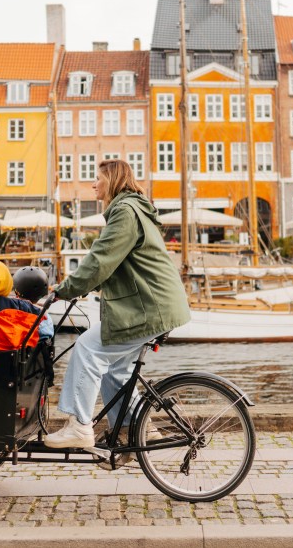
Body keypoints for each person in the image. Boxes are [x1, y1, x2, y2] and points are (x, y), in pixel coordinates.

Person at [44, 159, 190, 450]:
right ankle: (132, 430)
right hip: (153, 305)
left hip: (148, 308)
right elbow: (116, 264)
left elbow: (100, 260)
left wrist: (65, 290)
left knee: (87, 349)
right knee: (115, 372)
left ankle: (79, 425)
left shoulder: (125, 212)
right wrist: (84, 286)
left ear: (111, 181)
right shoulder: (133, 209)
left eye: (97, 178)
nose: (93, 184)